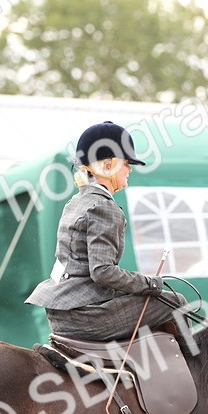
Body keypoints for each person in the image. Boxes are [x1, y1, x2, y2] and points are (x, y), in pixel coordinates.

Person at [26, 121, 186, 341]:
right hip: (84, 316)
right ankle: (192, 372)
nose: (130, 169)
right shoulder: (104, 207)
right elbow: (102, 272)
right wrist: (149, 283)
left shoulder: (75, 202)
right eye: (126, 163)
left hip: (58, 312)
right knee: (176, 302)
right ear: (108, 166)